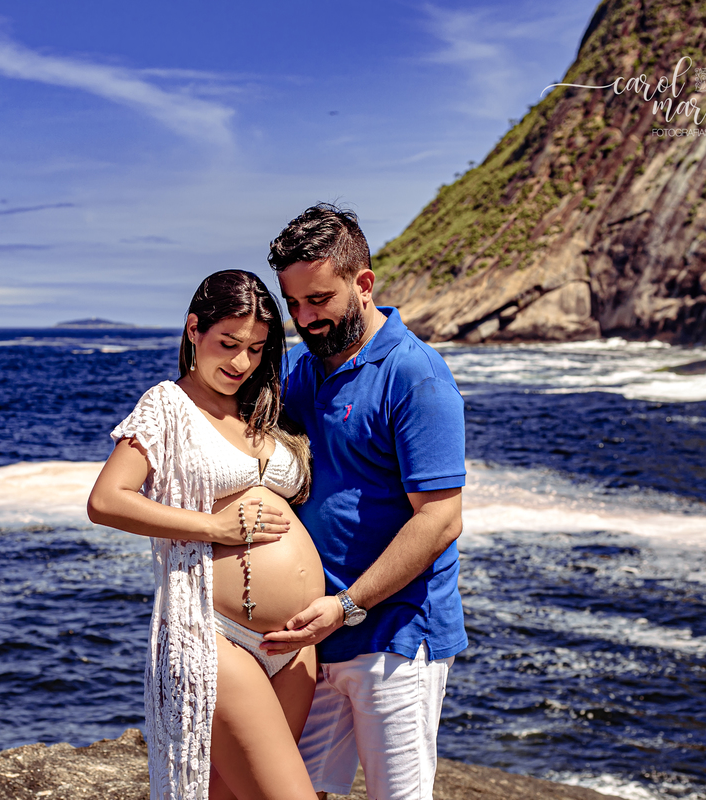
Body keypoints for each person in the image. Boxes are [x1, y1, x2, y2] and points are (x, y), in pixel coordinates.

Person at [87, 270, 324, 800]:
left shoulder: (264, 409)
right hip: (215, 636)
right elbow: (107, 500)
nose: (241, 362)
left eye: (257, 348)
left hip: (295, 645)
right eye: (229, 344)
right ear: (194, 330)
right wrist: (214, 527)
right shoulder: (168, 406)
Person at [261, 204, 467, 800]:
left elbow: (440, 519)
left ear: (363, 283)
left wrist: (347, 605)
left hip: (396, 635)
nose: (305, 318)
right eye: (293, 304)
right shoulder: (303, 372)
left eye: (319, 300)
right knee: (299, 791)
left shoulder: (416, 375)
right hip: (315, 636)